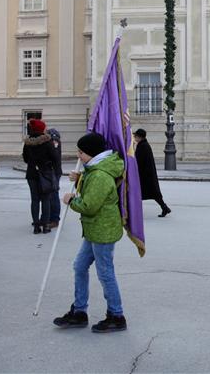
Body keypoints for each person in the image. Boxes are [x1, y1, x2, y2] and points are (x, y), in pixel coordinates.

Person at [53, 132, 127, 332]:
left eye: (81, 152)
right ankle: (79, 311)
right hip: (94, 229)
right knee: (79, 266)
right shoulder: (94, 170)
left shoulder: (100, 175)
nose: (79, 156)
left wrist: (70, 200)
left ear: (92, 153)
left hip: (102, 230)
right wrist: (80, 179)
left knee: (105, 273)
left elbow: (89, 206)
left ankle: (116, 315)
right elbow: (92, 185)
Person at [22, 118, 60, 234]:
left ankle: (36, 227)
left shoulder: (27, 143)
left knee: (34, 200)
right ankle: (46, 226)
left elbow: (25, 159)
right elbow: (55, 158)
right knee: (45, 200)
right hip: (46, 174)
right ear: (41, 129)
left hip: (32, 174)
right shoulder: (47, 142)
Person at [133, 129, 171, 217]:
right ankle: (165, 208)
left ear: (140, 137)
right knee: (152, 194)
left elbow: (138, 161)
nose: (135, 138)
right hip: (147, 174)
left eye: (136, 136)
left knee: (144, 193)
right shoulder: (143, 145)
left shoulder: (143, 146)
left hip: (145, 175)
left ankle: (164, 208)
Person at [47, 128, 63, 228]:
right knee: (50, 195)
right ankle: (48, 217)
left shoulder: (55, 142)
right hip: (52, 171)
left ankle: (55, 219)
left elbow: (55, 157)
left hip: (54, 172)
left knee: (54, 195)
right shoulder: (54, 142)